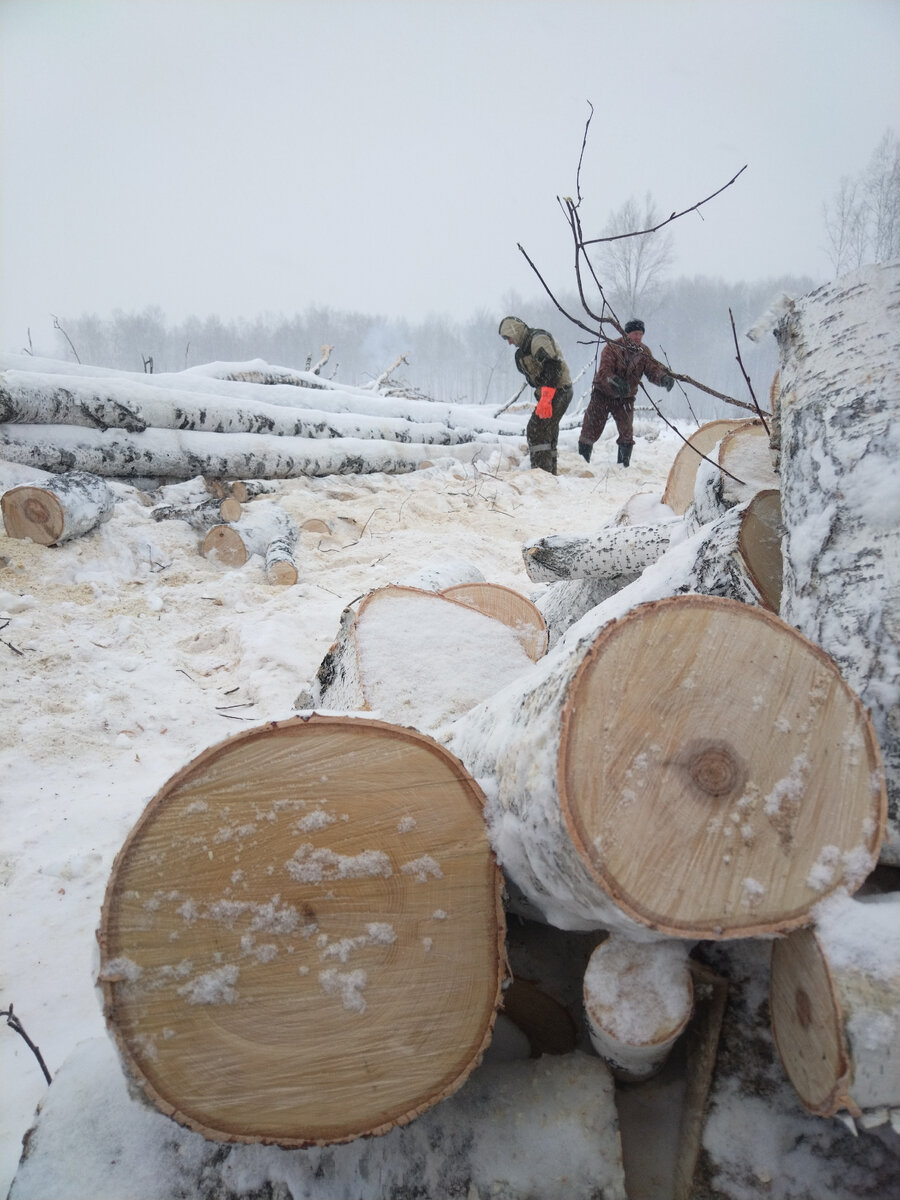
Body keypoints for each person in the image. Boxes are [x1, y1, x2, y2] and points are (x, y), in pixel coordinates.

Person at [578, 319, 674, 467]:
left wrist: (663, 378)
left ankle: (623, 466)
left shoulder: (644, 352)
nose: (638, 337)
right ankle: (581, 462)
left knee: (626, 433)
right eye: (635, 333)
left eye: (641, 334)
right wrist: (615, 382)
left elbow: (653, 370)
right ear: (627, 333)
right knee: (590, 429)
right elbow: (604, 372)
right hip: (602, 395)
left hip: (626, 399)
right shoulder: (612, 348)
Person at [498, 316, 573, 475]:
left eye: (509, 337)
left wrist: (546, 397)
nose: (509, 342)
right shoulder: (523, 352)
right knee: (548, 431)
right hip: (554, 392)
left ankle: (542, 475)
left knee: (536, 430)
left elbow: (553, 367)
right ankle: (549, 474)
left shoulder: (537, 340)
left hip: (558, 391)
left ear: (515, 331)